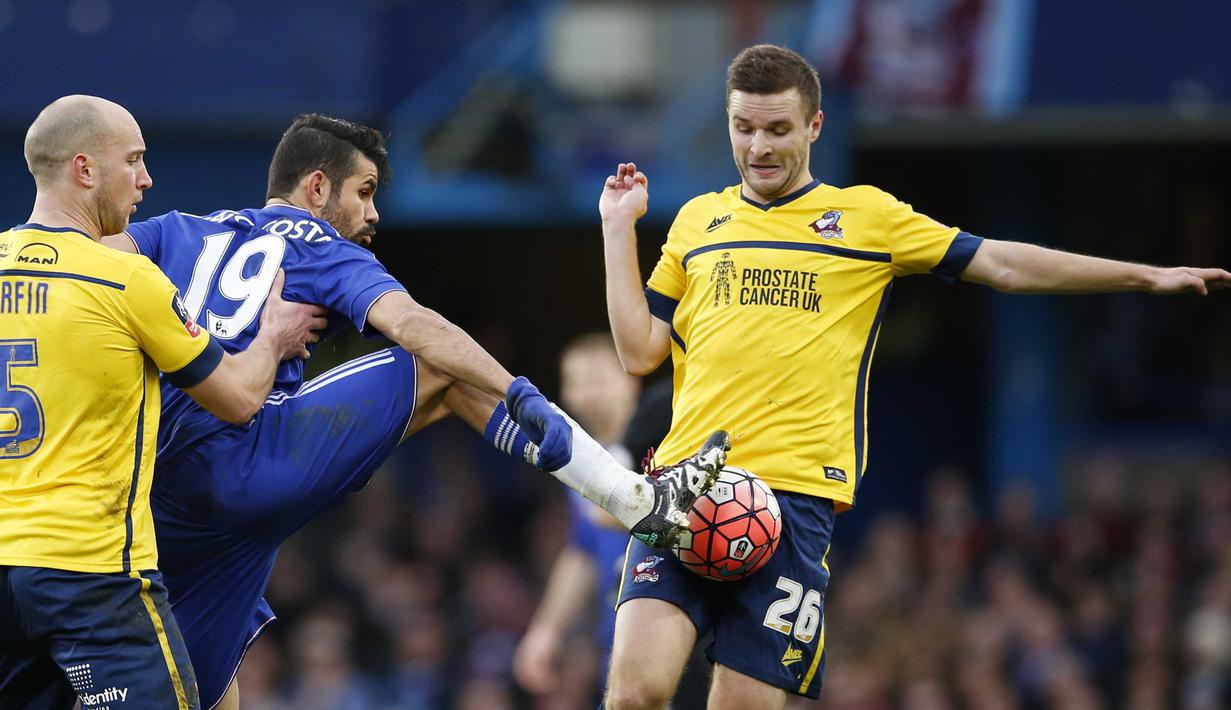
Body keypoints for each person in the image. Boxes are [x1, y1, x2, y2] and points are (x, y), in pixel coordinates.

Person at [597, 44, 1230, 709]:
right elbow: (640, 352)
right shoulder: (699, 221)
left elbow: (1005, 265)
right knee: (633, 692)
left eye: (777, 129)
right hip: (685, 487)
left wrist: (1140, 274)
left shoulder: (869, 219)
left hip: (792, 503)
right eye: (743, 127)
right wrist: (617, 229)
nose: (757, 145)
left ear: (813, 127)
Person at [101, 113, 729, 710]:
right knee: (441, 370)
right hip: (243, 460)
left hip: (162, 498)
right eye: (364, 191)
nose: (373, 214)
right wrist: (517, 391)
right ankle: (634, 498)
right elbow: (413, 326)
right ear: (316, 187)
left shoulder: (174, 229)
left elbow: (93, 270)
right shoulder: (317, 240)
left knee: (210, 692)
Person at [0, 96, 323, 710]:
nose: (146, 179)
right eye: (134, 161)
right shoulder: (125, 278)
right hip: (90, 578)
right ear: (85, 169)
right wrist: (273, 338)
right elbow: (236, 399)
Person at [514, 334, 641, 702]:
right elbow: (582, 551)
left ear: (632, 382)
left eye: (598, 379)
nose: (588, 392)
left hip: (676, 636)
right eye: (576, 382)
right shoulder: (576, 461)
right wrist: (546, 630)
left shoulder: (668, 446)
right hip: (615, 640)